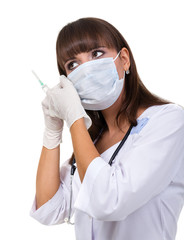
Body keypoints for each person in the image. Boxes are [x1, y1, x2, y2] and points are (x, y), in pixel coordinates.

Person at [30, 17, 184, 240]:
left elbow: (109, 201)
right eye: (73, 64)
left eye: (97, 53)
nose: (86, 69)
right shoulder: (91, 140)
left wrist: (74, 118)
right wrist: (52, 131)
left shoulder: (168, 120)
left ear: (124, 59)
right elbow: (49, 208)